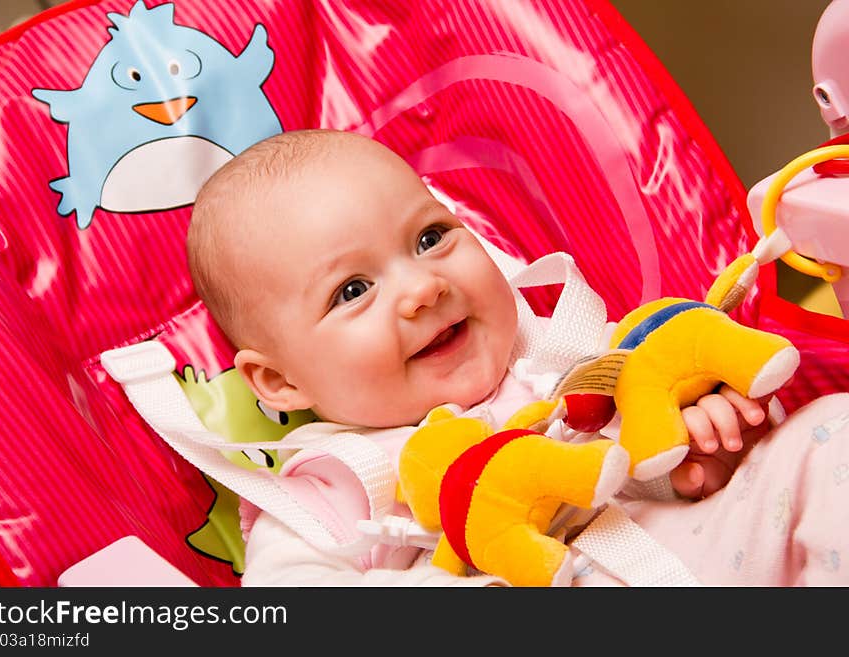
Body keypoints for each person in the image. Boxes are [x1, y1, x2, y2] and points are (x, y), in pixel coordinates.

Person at [186, 128, 849, 586]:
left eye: (430, 236)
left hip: (720, 559)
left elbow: (641, 475)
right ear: (278, 379)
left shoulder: (570, 360)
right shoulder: (329, 500)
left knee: (828, 435)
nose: (423, 288)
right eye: (352, 290)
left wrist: (698, 455)